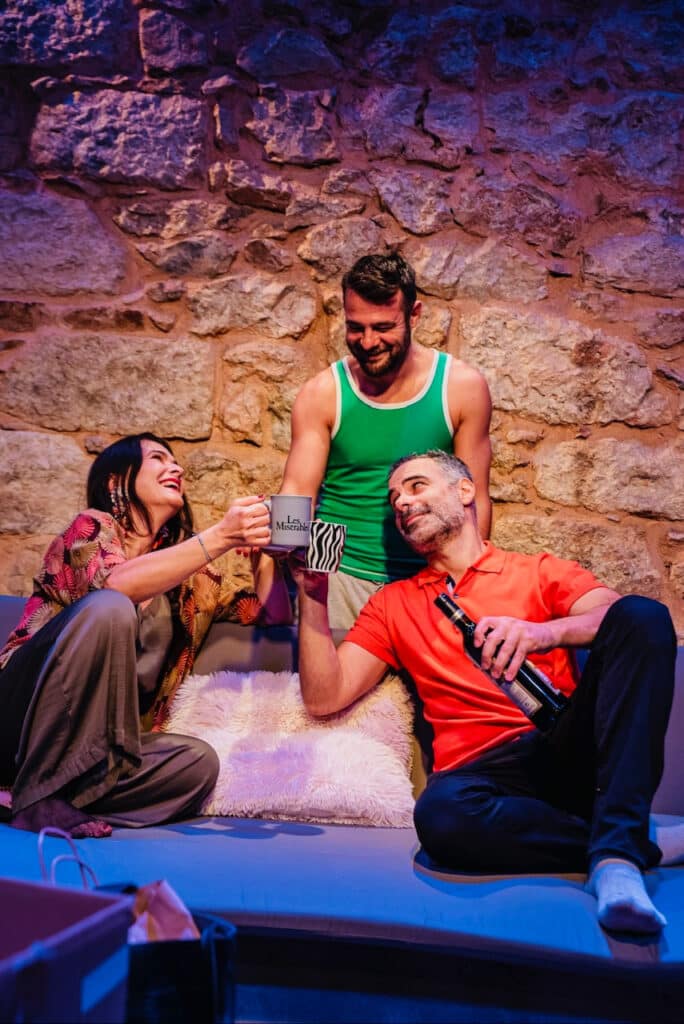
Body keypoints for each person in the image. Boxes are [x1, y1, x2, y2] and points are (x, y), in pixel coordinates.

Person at [291, 449, 682, 935]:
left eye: (416, 486)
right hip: (482, 778)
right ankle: (630, 844)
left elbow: (617, 618)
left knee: (644, 615)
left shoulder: (537, 571)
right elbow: (324, 697)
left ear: (465, 490)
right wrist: (313, 595)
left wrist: (543, 633)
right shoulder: (393, 604)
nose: (402, 503)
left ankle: (618, 861)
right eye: (394, 499)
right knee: (439, 817)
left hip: (565, 742)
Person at [0, 432, 291, 839]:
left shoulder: (196, 579)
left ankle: (47, 798)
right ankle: (36, 794)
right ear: (116, 481)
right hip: (19, 719)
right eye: (158, 458)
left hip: (102, 748)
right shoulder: (91, 527)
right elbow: (117, 584)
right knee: (110, 607)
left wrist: (265, 556)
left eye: (176, 462)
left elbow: (273, 614)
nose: (176, 468)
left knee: (197, 763)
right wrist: (223, 535)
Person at [280, 252, 492, 629]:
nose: (368, 341)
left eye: (382, 327)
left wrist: (466, 584)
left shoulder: (461, 387)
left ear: (414, 315)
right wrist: (282, 555)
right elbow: (297, 490)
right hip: (337, 578)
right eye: (355, 328)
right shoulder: (322, 392)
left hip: (428, 579)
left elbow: (473, 499)